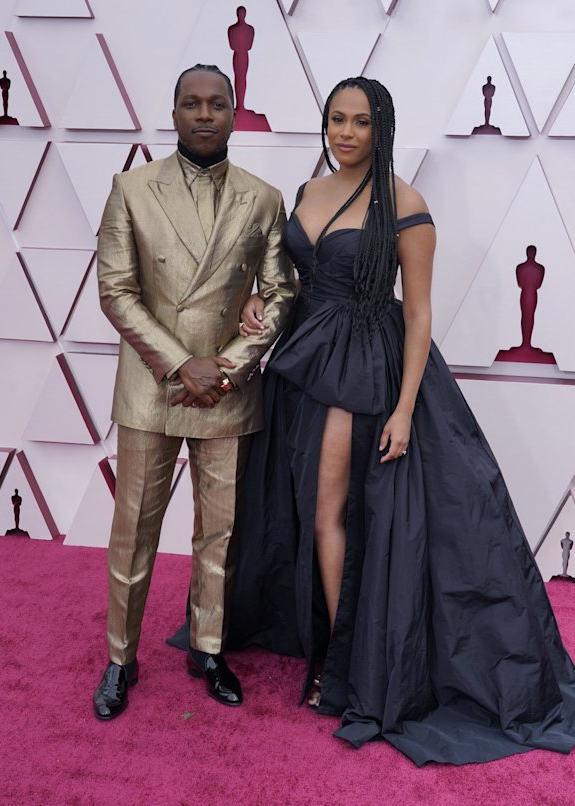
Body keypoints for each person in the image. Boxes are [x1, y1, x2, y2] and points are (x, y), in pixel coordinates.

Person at [222, 76, 575, 765]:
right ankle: (334, 649)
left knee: (335, 513)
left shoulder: (405, 203)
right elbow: (297, 279)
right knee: (311, 510)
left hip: (365, 370)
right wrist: (259, 305)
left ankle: (345, 669)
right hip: (304, 365)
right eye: (335, 120)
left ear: (381, 127)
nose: (345, 133)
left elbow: (417, 314)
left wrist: (407, 406)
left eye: (359, 122)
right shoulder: (307, 191)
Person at [93, 63, 295, 720]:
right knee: (134, 529)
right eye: (191, 103)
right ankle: (120, 657)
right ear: (173, 112)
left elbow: (281, 290)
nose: (204, 114)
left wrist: (230, 364)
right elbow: (116, 292)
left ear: (235, 112)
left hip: (228, 389)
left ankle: (208, 647)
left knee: (222, 532)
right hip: (154, 386)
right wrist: (184, 364)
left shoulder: (263, 198)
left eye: (216, 103)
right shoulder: (131, 189)